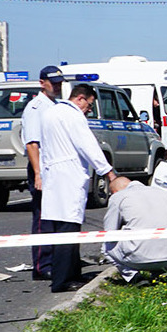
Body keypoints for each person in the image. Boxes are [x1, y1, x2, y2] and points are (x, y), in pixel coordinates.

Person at [38, 83, 116, 292]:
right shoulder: (73, 116)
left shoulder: (50, 113)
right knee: (69, 230)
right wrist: (108, 172)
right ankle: (63, 280)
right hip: (69, 177)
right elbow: (87, 145)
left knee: (60, 229)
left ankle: (70, 274)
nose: (89, 110)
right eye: (89, 105)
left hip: (54, 176)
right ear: (80, 98)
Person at [21, 66, 63, 280]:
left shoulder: (54, 105)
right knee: (42, 219)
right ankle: (42, 265)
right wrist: (38, 174)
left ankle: (54, 260)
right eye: (52, 82)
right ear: (41, 83)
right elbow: (32, 144)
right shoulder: (36, 108)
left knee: (55, 217)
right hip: (42, 167)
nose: (57, 86)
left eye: (59, 82)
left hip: (54, 167)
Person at [101, 174, 167, 283]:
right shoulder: (163, 193)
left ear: (114, 191)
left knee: (105, 247)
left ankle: (133, 276)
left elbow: (109, 233)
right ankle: (161, 272)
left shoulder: (118, 197)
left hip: (138, 259)